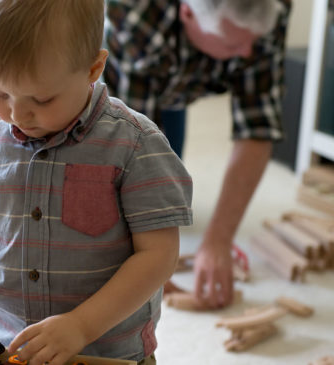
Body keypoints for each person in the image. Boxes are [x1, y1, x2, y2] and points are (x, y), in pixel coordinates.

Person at [0, 1, 193, 364]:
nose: (18, 114)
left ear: (93, 69)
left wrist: (81, 325)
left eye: (42, 98)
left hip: (106, 352)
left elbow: (159, 255)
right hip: (7, 347)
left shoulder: (135, 146)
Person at [104, 0, 291, 309]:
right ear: (187, 12)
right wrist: (148, 260)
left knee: (173, 181)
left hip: (179, 61)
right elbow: (132, 148)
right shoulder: (136, 14)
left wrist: (219, 240)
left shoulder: (271, 10)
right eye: (233, 41)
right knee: (139, 170)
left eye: (253, 39)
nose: (248, 52)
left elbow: (258, 128)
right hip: (135, 61)